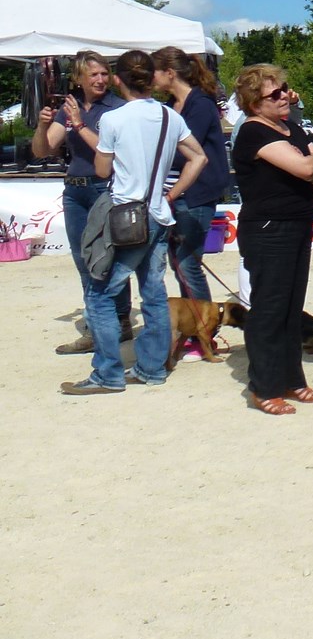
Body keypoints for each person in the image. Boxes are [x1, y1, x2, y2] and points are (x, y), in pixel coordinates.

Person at [60, 50, 208, 395]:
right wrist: (171, 194)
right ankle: (151, 368)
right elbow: (199, 157)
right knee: (153, 293)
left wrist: (83, 129)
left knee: (100, 294)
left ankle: (107, 373)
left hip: (125, 215)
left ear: (118, 79)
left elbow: (102, 170)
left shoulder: (114, 119)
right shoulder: (170, 116)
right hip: (158, 213)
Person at [230, 64, 313, 415]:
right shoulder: (253, 132)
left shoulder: (289, 128)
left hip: (297, 223)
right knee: (269, 309)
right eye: (274, 94)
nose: (284, 96)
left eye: (285, 88)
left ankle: (291, 378)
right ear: (254, 102)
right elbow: (309, 167)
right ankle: (265, 386)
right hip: (268, 229)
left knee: (291, 307)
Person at [33, 51, 133, 354]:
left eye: (104, 74)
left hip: (105, 187)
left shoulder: (117, 108)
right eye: (94, 75)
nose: (101, 80)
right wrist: (42, 125)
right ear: (79, 78)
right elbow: (42, 150)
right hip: (75, 190)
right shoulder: (70, 107)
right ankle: (98, 324)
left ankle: (118, 319)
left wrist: (79, 125)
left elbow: (111, 151)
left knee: (109, 257)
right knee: (82, 260)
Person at [151, 47, 231, 311]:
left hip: (197, 194)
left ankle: (205, 322)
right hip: (175, 193)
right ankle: (195, 319)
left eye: (154, 71)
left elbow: (184, 150)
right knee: (179, 263)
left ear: (169, 73)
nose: (151, 78)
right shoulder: (170, 106)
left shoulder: (201, 105)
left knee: (188, 263)